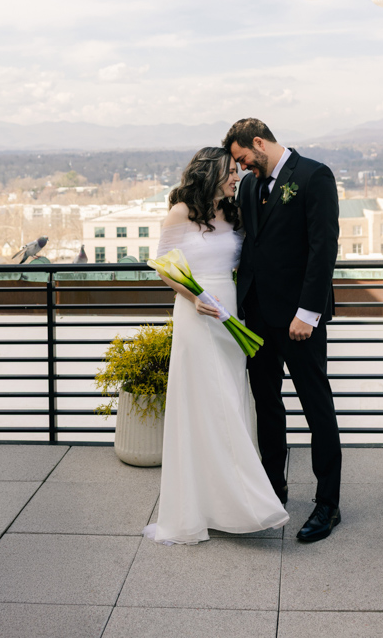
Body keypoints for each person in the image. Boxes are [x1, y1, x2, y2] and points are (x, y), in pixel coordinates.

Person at [142, 146, 288, 545]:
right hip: (198, 315)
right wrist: (195, 298)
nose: (236, 177)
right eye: (229, 172)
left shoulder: (233, 210)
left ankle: (225, 502)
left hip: (231, 315)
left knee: (231, 402)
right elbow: (162, 266)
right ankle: (241, 503)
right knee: (207, 403)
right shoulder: (181, 211)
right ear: (210, 173)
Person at [222, 118, 342, 543]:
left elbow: (323, 248)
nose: (241, 168)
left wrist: (307, 313)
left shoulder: (314, 176)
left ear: (259, 142)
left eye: (242, 158)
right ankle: (274, 490)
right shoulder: (251, 186)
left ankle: (328, 504)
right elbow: (251, 249)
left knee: (316, 407)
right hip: (256, 318)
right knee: (268, 408)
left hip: (298, 321)